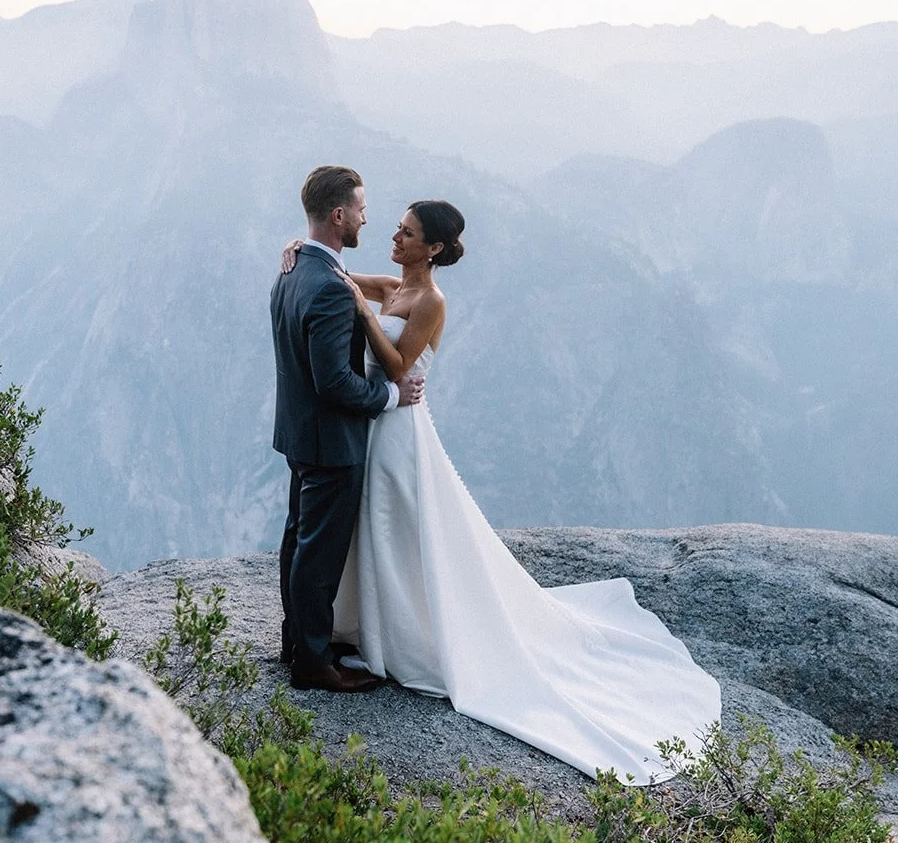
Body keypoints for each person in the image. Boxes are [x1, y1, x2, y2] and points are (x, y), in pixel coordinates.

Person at [281, 198, 721, 781]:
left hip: (397, 428)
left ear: (432, 248)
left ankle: (400, 632)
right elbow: (335, 274)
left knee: (399, 527)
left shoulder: (431, 302)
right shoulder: (390, 286)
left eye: (407, 233)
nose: (394, 234)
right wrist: (297, 248)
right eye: (396, 226)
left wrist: (364, 317)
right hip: (369, 427)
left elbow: (396, 367)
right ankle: (362, 626)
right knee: (369, 530)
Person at [270, 165, 425, 693]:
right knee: (318, 551)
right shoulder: (332, 288)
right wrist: (389, 395)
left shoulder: (292, 269)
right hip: (331, 439)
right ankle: (313, 663)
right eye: (360, 209)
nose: (366, 218)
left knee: (298, 540)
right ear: (339, 216)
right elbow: (335, 382)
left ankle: (301, 641)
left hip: (298, 432)